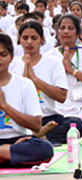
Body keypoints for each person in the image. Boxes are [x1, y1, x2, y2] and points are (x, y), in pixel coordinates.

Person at [0, 33, 53, 166]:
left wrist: (5, 106)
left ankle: (6, 155)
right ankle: (8, 156)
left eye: (3, 55)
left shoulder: (24, 84)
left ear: (11, 57)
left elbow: (36, 125)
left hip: (19, 142)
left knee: (45, 149)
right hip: (13, 149)